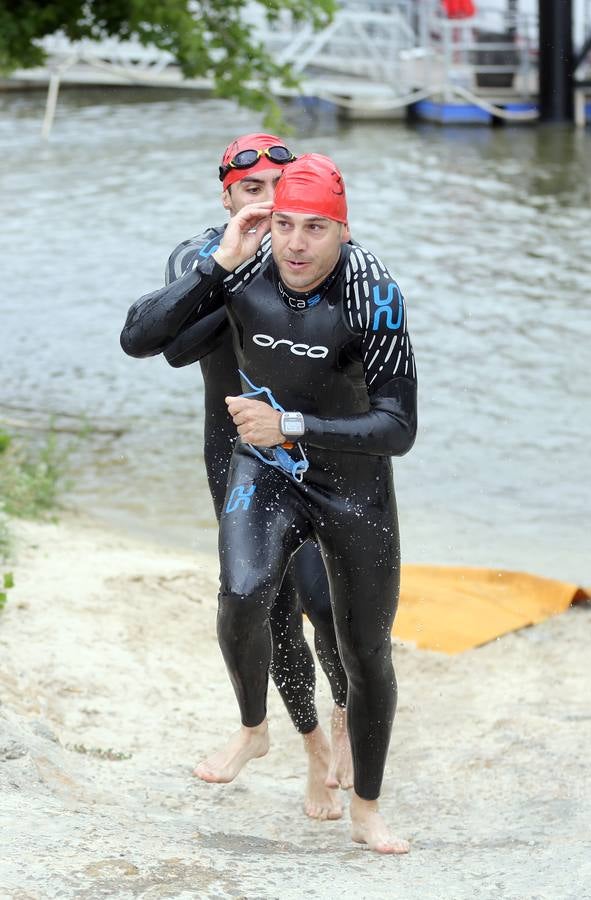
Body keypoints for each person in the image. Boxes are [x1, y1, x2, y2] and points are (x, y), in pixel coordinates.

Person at [124, 152, 418, 853]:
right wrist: (217, 266)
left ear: (342, 232)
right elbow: (147, 341)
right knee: (245, 592)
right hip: (263, 465)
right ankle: (257, 728)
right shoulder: (238, 262)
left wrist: (291, 424)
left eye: (313, 227)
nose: (292, 242)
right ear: (239, 205)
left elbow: (399, 429)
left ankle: (366, 805)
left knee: (361, 643)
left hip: (349, 482)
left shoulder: (373, 290)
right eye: (280, 221)